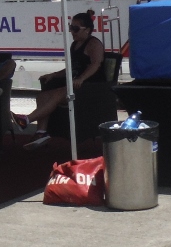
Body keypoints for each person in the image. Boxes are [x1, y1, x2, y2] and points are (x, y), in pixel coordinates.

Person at [13, 11, 106, 148]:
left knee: (59, 94)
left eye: (75, 29)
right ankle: (41, 132)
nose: (72, 32)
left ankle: (27, 120)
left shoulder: (93, 44)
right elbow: (71, 68)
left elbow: (96, 64)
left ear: (87, 30)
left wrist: (81, 78)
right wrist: (54, 75)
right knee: (42, 96)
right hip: (74, 85)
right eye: (70, 27)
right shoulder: (75, 45)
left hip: (90, 87)